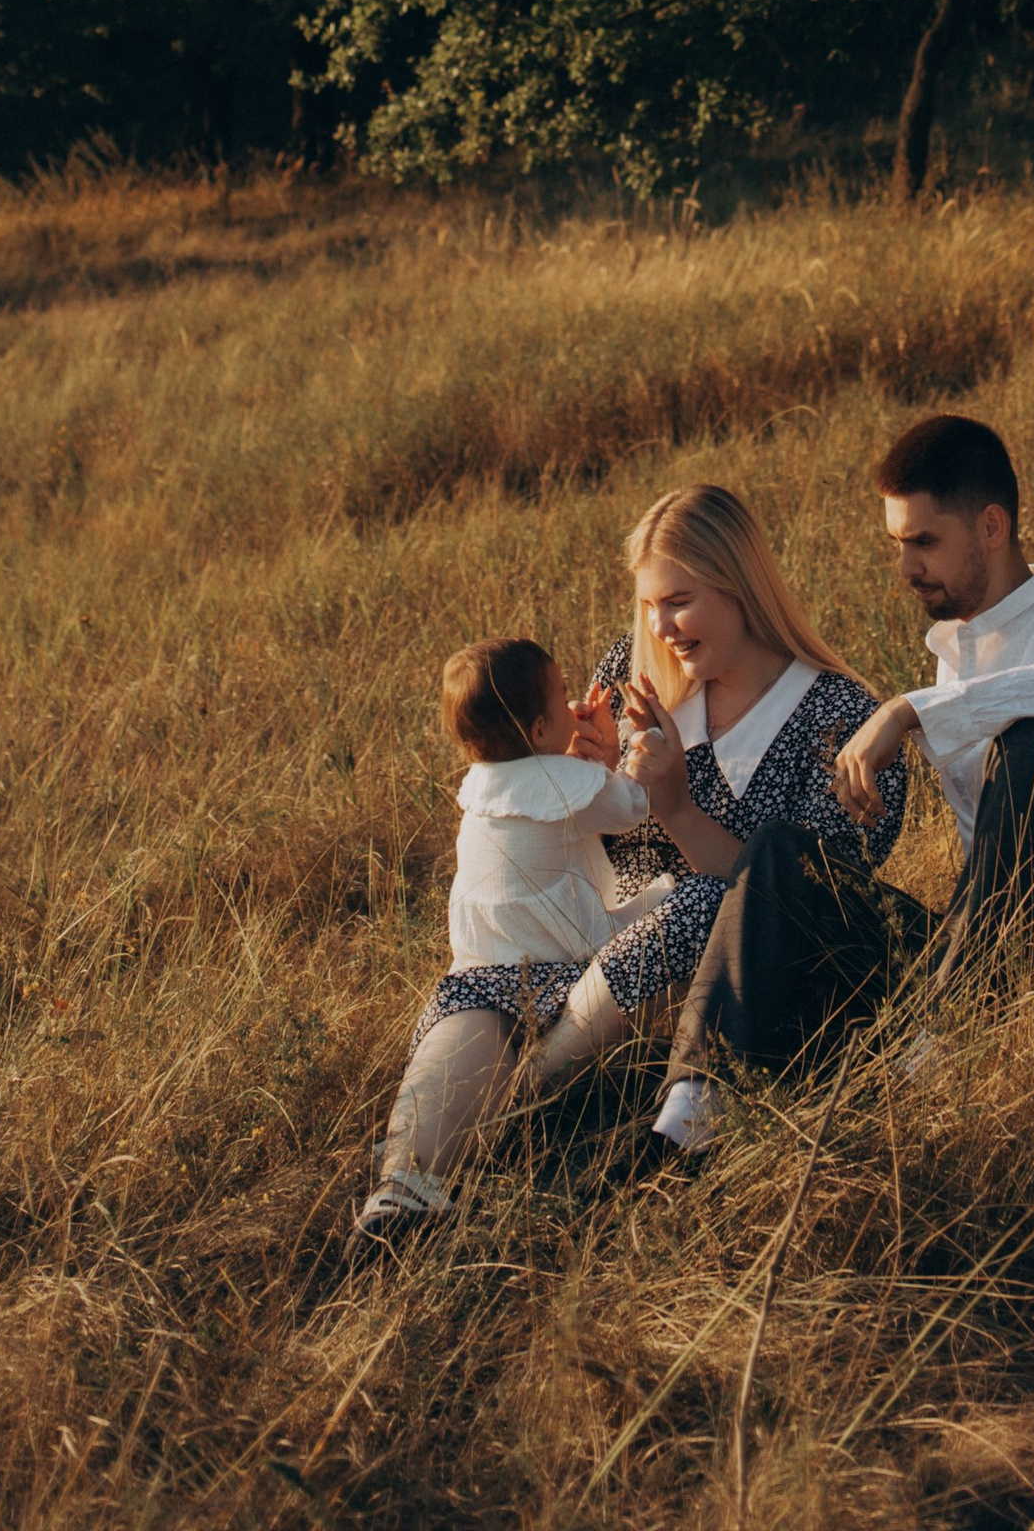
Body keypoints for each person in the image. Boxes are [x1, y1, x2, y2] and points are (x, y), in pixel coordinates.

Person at [356, 484, 905, 1234]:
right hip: (590, 949)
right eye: (647, 605)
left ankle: (526, 1103)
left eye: (678, 601)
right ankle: (402, 1190)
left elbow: (811, 906)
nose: (659, 627)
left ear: (740, 585)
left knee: (704, 904)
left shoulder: (840, 718)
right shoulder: (633, 674)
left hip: (707, 989)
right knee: (484, 987)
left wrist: (677, 806)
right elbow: (593, 839)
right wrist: (599, 776)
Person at [648, 413, 1034, 1149]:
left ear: (992, 528)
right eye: (898, 545)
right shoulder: (958, 649)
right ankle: (688, 1120)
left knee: (1030, 748)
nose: (905, 568)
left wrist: (906, 711)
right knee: (783, 854)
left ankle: (929, 1043)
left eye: (924, 542)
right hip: (997, 959)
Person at [436, 636, 659, 973]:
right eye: (562, 694)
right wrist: (647, 741)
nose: (571, 702)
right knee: (674, 904)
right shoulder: (562, 779)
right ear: (539, 730)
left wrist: (584, 763)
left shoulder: (481, 782)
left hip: (493, 955)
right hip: (568, 951)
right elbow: (629, 808)